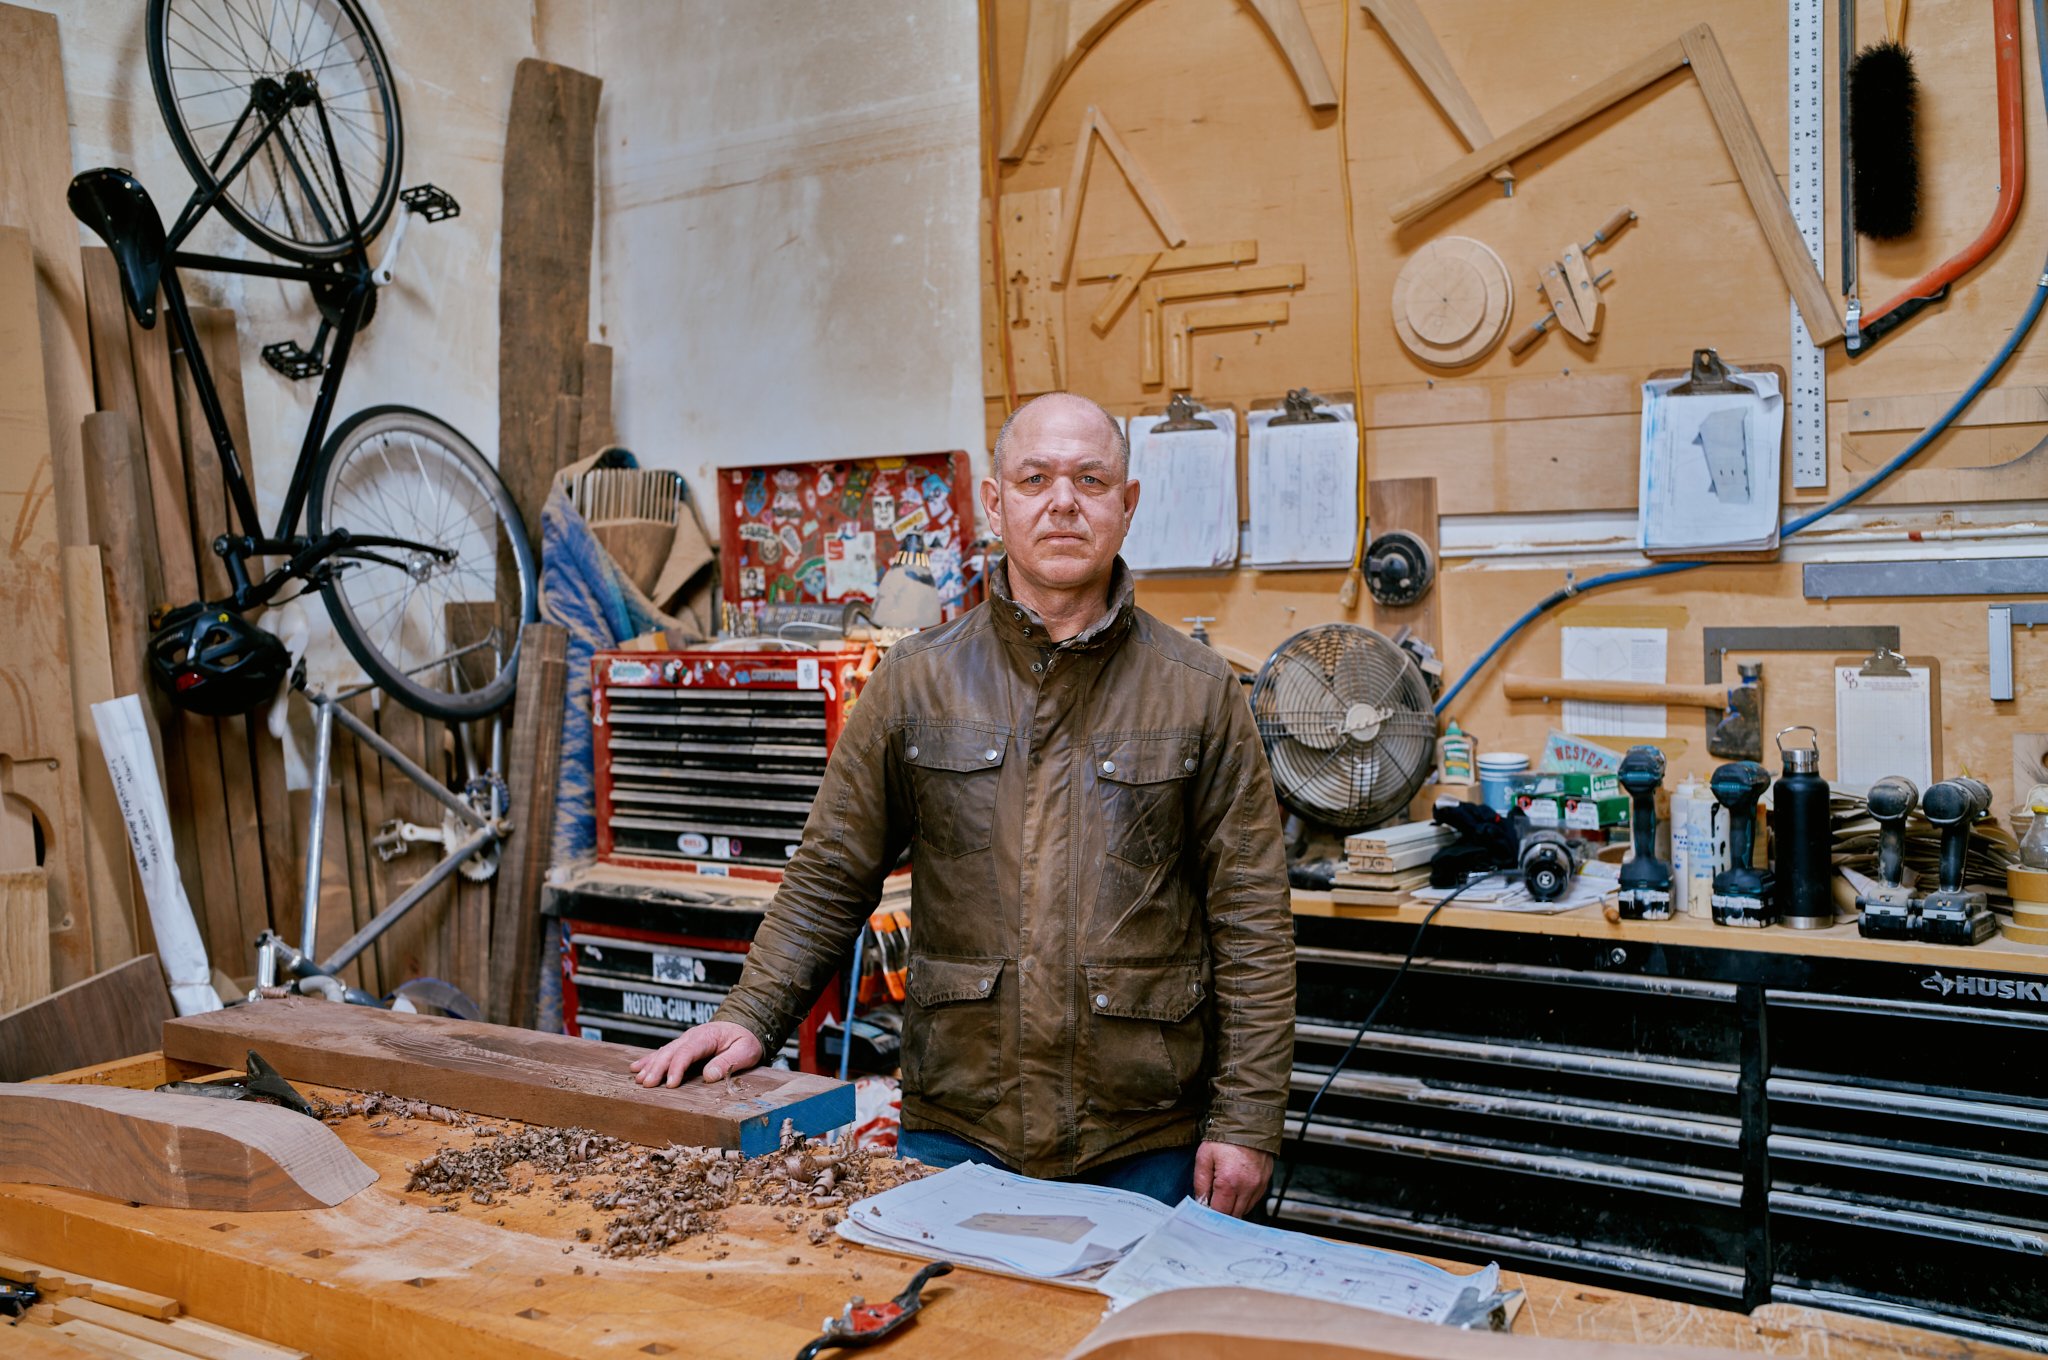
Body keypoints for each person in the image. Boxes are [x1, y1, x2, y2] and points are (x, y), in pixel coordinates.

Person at [630, 391, 1295, 1215]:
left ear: (1127, 506)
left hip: (1147, 1138)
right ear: (995, 501)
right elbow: (831, 874)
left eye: (1091, 480)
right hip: (959, 1132)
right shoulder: (916, 683)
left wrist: (1250, 1117)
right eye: (1035, 478)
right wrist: (750, 1014)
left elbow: (1252, 921)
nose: (1062, 502)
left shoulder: (1198, 695)